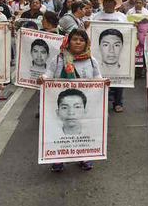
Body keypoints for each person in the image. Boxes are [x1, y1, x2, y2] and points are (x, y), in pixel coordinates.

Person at [37, 29, 110, 172]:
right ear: (68, 41)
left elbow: (97, 78)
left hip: (81, 104)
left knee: (82, 131)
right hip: (61, 103)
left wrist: (104, 82)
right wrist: (41, 79)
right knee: (59, 130)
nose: (78, 42)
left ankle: (83, 157)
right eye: (75, 39)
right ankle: (58, 159)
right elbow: (48, 75)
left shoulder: (91, 60)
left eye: (81, 40)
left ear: (86, 43)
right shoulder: (58, 59)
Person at [92, 0, 127, 113]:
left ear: (114, 4)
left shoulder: (122, 17)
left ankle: (118, 102)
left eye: (110, 2)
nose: (108, 4)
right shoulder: (96, 16)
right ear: (103, 3)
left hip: (118, 53)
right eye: (105, 2)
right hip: (100, 53)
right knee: (100, 77)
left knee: (119, 78)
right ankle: (101, 102)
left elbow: (127, 34)